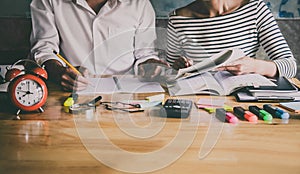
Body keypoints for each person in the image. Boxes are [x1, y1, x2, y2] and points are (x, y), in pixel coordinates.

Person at [30, 0, 167, 91]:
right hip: (69, 92)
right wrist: (59, 71)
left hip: (125, 95)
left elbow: (145, 53)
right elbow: (44, 49)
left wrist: (150, 65)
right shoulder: (48, 1)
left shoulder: (140, 4)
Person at [166, 0, 297, 78]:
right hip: (199, 99)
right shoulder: (177, 19)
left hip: (243, 99)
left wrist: (255, 66)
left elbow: (290, 67)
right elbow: (169, 69)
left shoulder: (255, 9)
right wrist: (179, 66)